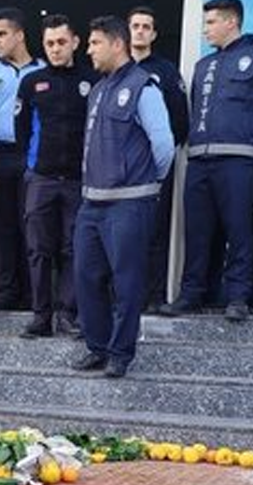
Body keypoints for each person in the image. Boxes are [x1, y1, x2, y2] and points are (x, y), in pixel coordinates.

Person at [161, 0, 253, 322]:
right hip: (200, 159)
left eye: (211, 22)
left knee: (239, 229)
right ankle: (191, 293)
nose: (205, 29)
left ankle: (238, 296)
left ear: (231, 22)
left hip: (239, 159)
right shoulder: (203, 65)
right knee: (197, 231)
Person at [70, 15, 174, 379]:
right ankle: (97, 347)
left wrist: (148, 183)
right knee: (86, 276)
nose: (89, 50)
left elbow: (164, 146)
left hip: (130, 201)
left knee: (127, 282)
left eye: (95, 43)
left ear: (117, 44)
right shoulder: (98, 90)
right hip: (92, 203)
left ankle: (120, 353)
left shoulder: (144, 87)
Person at [15, 14, 96, 339]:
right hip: (42, 180)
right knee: (38, 249)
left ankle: (67, 314)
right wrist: (33, 166)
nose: (55, 48)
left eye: (61, 42)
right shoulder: (31, 83)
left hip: (78, 181)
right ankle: (40, 317)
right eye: (49, 43)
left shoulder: (92, 80)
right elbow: (21, 131)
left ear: (75, 42)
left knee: (74, 249)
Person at [0, 8, 45, 313]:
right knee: (3, 228)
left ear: (19, 35)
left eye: (2, 34)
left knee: (32, 226)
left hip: (34, 156)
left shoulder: (43, 70)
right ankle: (6, 290)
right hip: (0, 155)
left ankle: (34, 294)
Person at [128, 5, 189, 310]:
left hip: (155, 168)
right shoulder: (116, 68)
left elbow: (180, 122)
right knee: (121, 235)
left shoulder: (165, 71)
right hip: (119, 171)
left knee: (154, 232)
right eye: (135, 26)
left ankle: (152, 296)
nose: (140, 31)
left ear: (153, 34)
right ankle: (122, 296)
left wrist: (157, 159)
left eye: (146, 27)